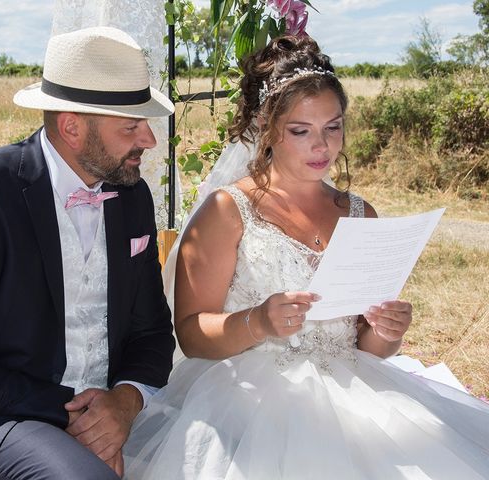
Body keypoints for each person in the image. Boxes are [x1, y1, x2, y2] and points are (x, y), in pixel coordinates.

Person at [123, 35, 489, 479]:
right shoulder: (227, 211)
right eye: (301, 131)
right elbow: (192, 333)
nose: (322, 146)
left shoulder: (360, 214)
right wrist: (257, 322)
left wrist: (386, 332)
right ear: (267, 128)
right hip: (250, 395)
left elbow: (367, 344)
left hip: (355, 389)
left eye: (332, 127)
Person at [0, 26, 176, 480]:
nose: (149, 140)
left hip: (105, 414)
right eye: (131, 126)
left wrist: (123, 404)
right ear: (72, 127)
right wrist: (72, 417)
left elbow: (153, 333)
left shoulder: (133, 197)